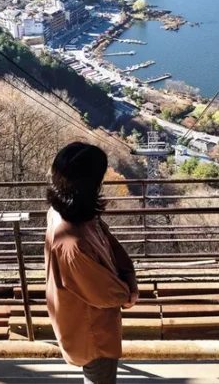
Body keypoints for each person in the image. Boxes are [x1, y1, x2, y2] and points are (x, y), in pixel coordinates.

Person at [44, 142, 139, 384]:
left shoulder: (67, 213)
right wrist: (128, 293)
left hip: (86, 320)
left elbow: (108, 240)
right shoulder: (72, 242)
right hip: (91, 330)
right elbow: (102, 292)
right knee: (100, 377)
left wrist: (128, 274)